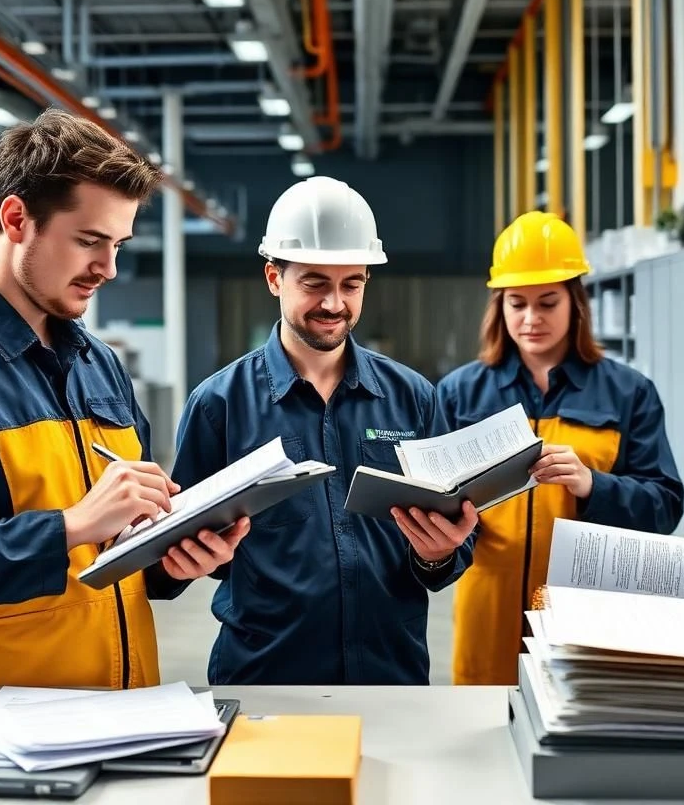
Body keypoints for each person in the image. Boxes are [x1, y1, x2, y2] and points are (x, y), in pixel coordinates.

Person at [0, 109, 248, 734]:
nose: (108, 268)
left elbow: (110, 561)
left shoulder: (98, 364)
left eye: (117, 245)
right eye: (89, 240)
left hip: (117, 711)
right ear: (15, 219)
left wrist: (172, 560)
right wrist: (71, 524)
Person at [171, 176, 478, 685]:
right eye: (314, 282)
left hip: (391, 675)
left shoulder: (414, 398)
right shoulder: (218, 405)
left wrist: (439, 552)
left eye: (351, 284)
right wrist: (196, 557)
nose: (335, 303)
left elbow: (451, 554)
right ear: (274, 278)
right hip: (265, 676)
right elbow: (174, 554)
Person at [437, 211, 684, 685]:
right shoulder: (459, 394)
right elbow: (441, 506)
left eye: (548, 302)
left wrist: (594, 485)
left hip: (586, 606)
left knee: (578, 726)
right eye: (517, 303)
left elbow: (665, 506)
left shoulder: (628, 393)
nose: (531, 319)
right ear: (499, 307)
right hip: (485, 607)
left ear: (576, 303)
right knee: (484, 731)